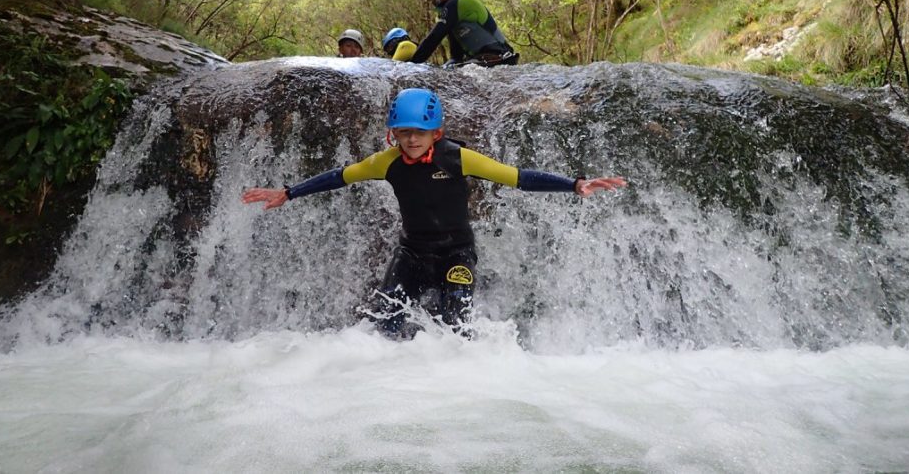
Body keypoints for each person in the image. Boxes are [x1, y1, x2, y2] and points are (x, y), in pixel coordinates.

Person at [241, 88, 626, 339]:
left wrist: (574, 185)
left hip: (456, 253)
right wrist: (289, 193)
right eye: (404, 131)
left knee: (457, 326)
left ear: (436, 132)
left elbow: (518, 178)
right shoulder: (386, 162)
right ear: (394, 133)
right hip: (412, 253)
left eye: (419, 132)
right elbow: (340, 177)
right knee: (384, 323)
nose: (411, 139)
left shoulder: (458, 158)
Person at [409, 0, 519, 68]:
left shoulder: (458, 2)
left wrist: (409, 65)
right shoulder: (454, 12)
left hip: (497, 57)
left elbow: (433, 39)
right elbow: (456, 56)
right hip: (488, 60)